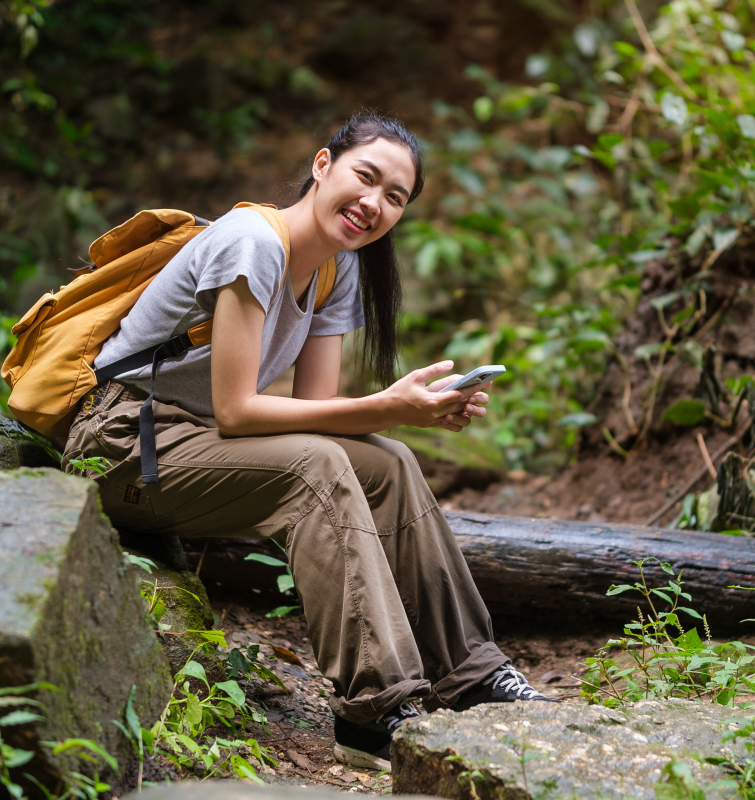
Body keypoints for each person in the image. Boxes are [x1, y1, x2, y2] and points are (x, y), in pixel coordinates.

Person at [60, 112, 550, 770]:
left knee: (389, 463)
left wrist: (411, 415)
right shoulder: (252, 244)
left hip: (193, 440)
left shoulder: (335, 270)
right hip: (122, 443)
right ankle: (374, 710)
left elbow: (315, 411)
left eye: (395, 197)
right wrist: (386, 404)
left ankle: (472, 673)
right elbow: (238, 412)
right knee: (316, 468)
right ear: (324, 165)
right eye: (365, 177)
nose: (373, 203)